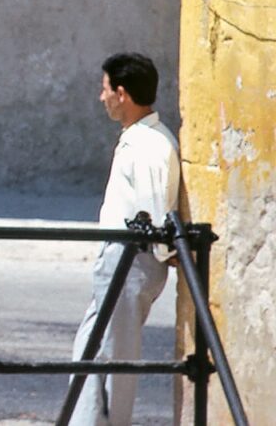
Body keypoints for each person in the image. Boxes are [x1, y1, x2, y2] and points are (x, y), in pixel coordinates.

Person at [69, 53, 179, 426]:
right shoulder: (141, 139)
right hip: (122, 257)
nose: (102, 98)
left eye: (105, 90)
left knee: (114, 355)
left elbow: (153, 210)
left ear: (121, 93)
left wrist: (165, 251)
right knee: (91, 347)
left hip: (132, 259)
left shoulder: (149, 144)